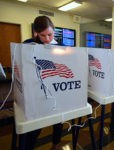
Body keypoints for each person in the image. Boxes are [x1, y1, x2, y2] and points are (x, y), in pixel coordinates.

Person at [23, 16, 63, 150]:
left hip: (56, 88)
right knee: (35, 126)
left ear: (54, 31)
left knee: (58, 120)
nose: (46, 39)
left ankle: (56, 144)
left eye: (50, 35)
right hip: (35, 90)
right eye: (42, 35)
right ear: (36, 33)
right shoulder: (27, 44)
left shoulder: (61, 47)